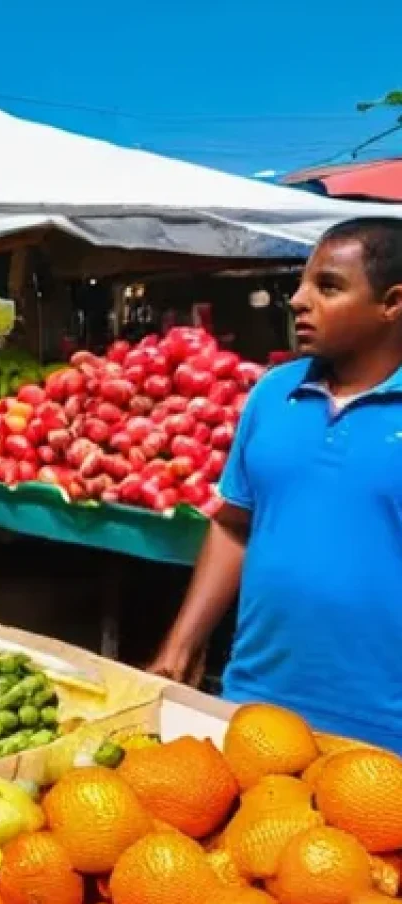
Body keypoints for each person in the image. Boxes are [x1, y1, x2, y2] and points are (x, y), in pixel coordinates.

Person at [149, 217, 402, 751]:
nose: (297, 300)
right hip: (256, 700)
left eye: (327, 286)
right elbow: (235, 526)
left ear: (393, 303)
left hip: (384, 727)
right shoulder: (273, 393)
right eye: (302, 283)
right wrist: (181, 644)